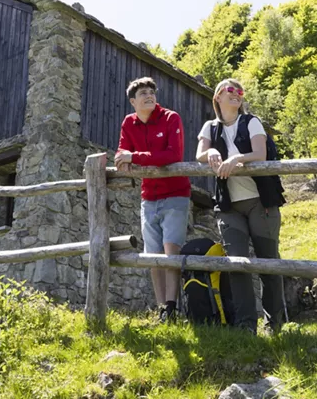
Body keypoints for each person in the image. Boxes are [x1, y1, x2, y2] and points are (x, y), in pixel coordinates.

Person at [195, 78, 286, 333]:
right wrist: (211, 153)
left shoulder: (251, 122)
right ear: (218, 97)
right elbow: (199, 154)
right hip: (229, 206)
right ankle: (246, 325)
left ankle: (274, 323)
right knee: (237, 264)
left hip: (260, 202)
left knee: (268, 263)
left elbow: (260, 154)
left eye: (240, 91)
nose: (236, 94)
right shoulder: (210, 127)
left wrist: (235, 159)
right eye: (230, 90)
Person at [115, 77, 191, 322]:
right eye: (143, 93)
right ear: (133, 102)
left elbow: (172, 155)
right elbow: (121, 151)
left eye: (151, 92)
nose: (149, 96)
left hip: (176, 193)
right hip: (148, 197)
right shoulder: (129, 122)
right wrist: (122, 159)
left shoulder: (171, 118)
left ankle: (172, 306)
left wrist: (134, 158)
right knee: (153, 255)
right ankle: (161, 309)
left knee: (171, 251)